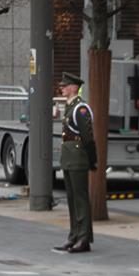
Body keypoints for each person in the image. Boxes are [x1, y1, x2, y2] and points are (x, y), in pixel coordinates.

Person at [52, 73, 96, 253]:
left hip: (78, 158)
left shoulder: (81, 108)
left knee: (80, 200)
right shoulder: (70, 107)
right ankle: (74, 235)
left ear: (73, 88)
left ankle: (84, 238)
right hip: (69, 158)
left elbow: (88, 138)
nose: (61, 88)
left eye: (65, 86)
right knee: (71, 200)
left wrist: (92, 160)